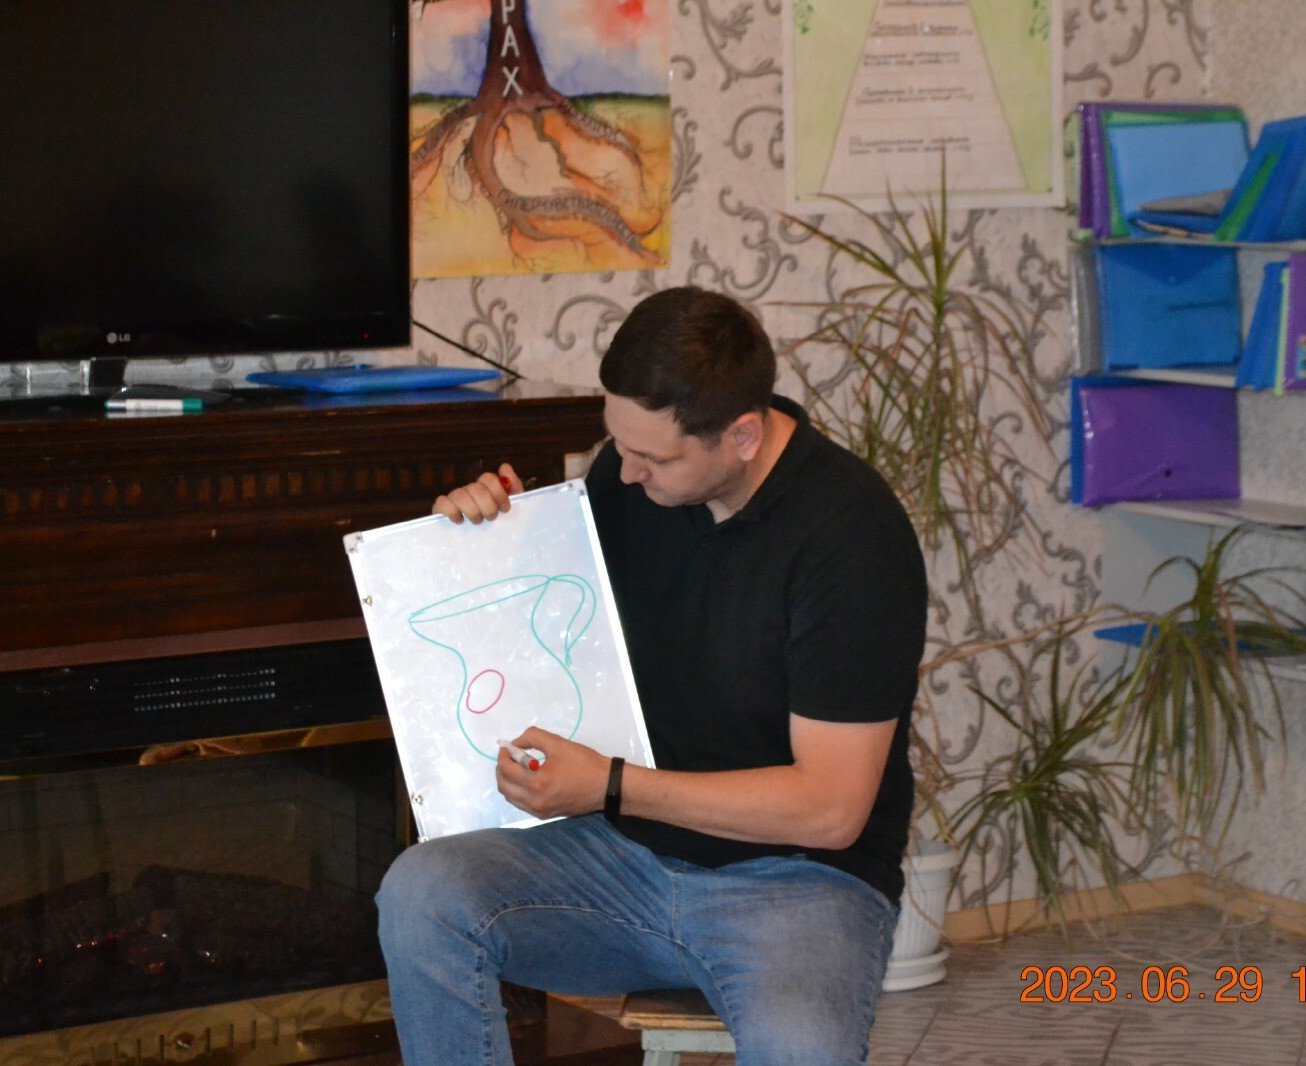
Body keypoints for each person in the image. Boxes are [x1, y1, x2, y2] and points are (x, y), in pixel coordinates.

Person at [375, 286, 927, 1066]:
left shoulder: (852, 539)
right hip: (620, 861)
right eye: (618, 444)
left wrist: (609, 786)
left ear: (743, 435)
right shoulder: (633, 479)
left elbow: (831, 810)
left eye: (654, 457)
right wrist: (484, 533)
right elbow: (546, 616)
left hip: (801, 884)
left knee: (800, 1048)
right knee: (422, 894)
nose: (626, 473)